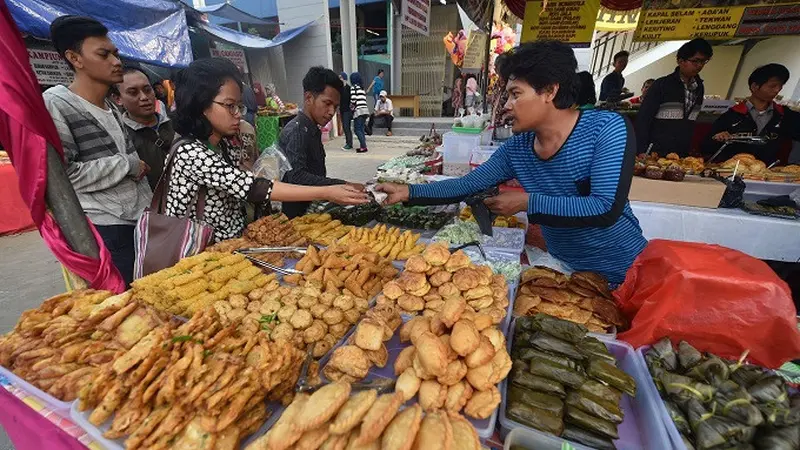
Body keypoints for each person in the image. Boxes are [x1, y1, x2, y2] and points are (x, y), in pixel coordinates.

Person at [377, 41, 647, 284]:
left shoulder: (605, 129)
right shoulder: (518, 148)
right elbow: (468, 184)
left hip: (625, 272)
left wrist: (527, 201)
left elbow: (605, 207)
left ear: (550, 91)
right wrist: (408, 191)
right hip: (564, 273)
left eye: (516, 94)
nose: (507, 104)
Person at [169, 58, 367, 241]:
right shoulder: (190, 153)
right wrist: (328, 191)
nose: (238, 114)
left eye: (239, 106)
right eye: (230, 106)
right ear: (199, 104)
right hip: (199, 256)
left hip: (232, 248)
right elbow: (253, 187)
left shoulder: (222, 144)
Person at [44, 15, 152, 286]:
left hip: (138, 222)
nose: (116, 62)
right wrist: (127, 165)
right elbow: (63, 178)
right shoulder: (57, 105)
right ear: (75, 58)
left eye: (115, 53)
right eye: (104, 54)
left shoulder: (111, 107)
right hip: (107, 228)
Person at [279, 67, 367, 218]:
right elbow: (297, 176)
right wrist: (341, 185)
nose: (332, 111)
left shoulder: (312, 128)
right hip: (296, 216)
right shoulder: (297, 131)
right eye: (327, 103)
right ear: (308, 98)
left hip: (311, 208)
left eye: (336, 106)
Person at [703, 64, 800, 165]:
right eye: (772, 86)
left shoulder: (784, 115)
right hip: (731, 170)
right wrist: (718, 138)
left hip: (767, 173)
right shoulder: (731, 115)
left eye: (780, 86)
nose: (777, 90)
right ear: (754, 87)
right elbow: (707, 146)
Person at [636, 38, 713, 156]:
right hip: (655, 151)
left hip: (681, 153)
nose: (699, 66)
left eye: (703, 61)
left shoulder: (699, 88)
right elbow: (643, 119)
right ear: (680, 61)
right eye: (695, 61)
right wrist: (641, 150)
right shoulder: (662, 85)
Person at [112, 67, 176, 191]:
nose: (144, 97)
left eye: (147, 90)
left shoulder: (177, 124)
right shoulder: (121, 138)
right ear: (118, 99)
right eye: (133, 92)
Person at [349, 72, 370, 154]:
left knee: (357, 130)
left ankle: (364, 147)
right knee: (361, 129)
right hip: (365, 110)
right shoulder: (362, 88)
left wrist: (350, 107)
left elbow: (353, 99)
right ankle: (362, 146)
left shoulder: (353, 87)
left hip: (359, 111)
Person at [339, 72, 354, 151]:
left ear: (344, 78)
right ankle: (348, 142)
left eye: (341, 77)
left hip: (347, 111)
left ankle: (349, 144)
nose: (339, 79)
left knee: (346, 127)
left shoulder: (349, 88)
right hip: (342, 110)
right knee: (345, 127)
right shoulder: (339, 89)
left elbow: (352, 99)